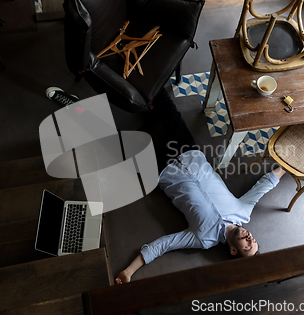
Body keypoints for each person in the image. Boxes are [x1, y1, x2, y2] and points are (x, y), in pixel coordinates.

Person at [114, 87, 286, 284]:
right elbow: (263, 186)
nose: (249, 238)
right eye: (252, 241)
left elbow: (165, 245)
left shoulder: (203, 239)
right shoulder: (243, 211)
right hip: (189, 152)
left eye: (247, 246)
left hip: (161, 170)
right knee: (167, 106)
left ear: (232, 249)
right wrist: (287, 166)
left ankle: (79, 113)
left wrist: (129, 271)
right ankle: (144, 72)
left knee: (122, 144)